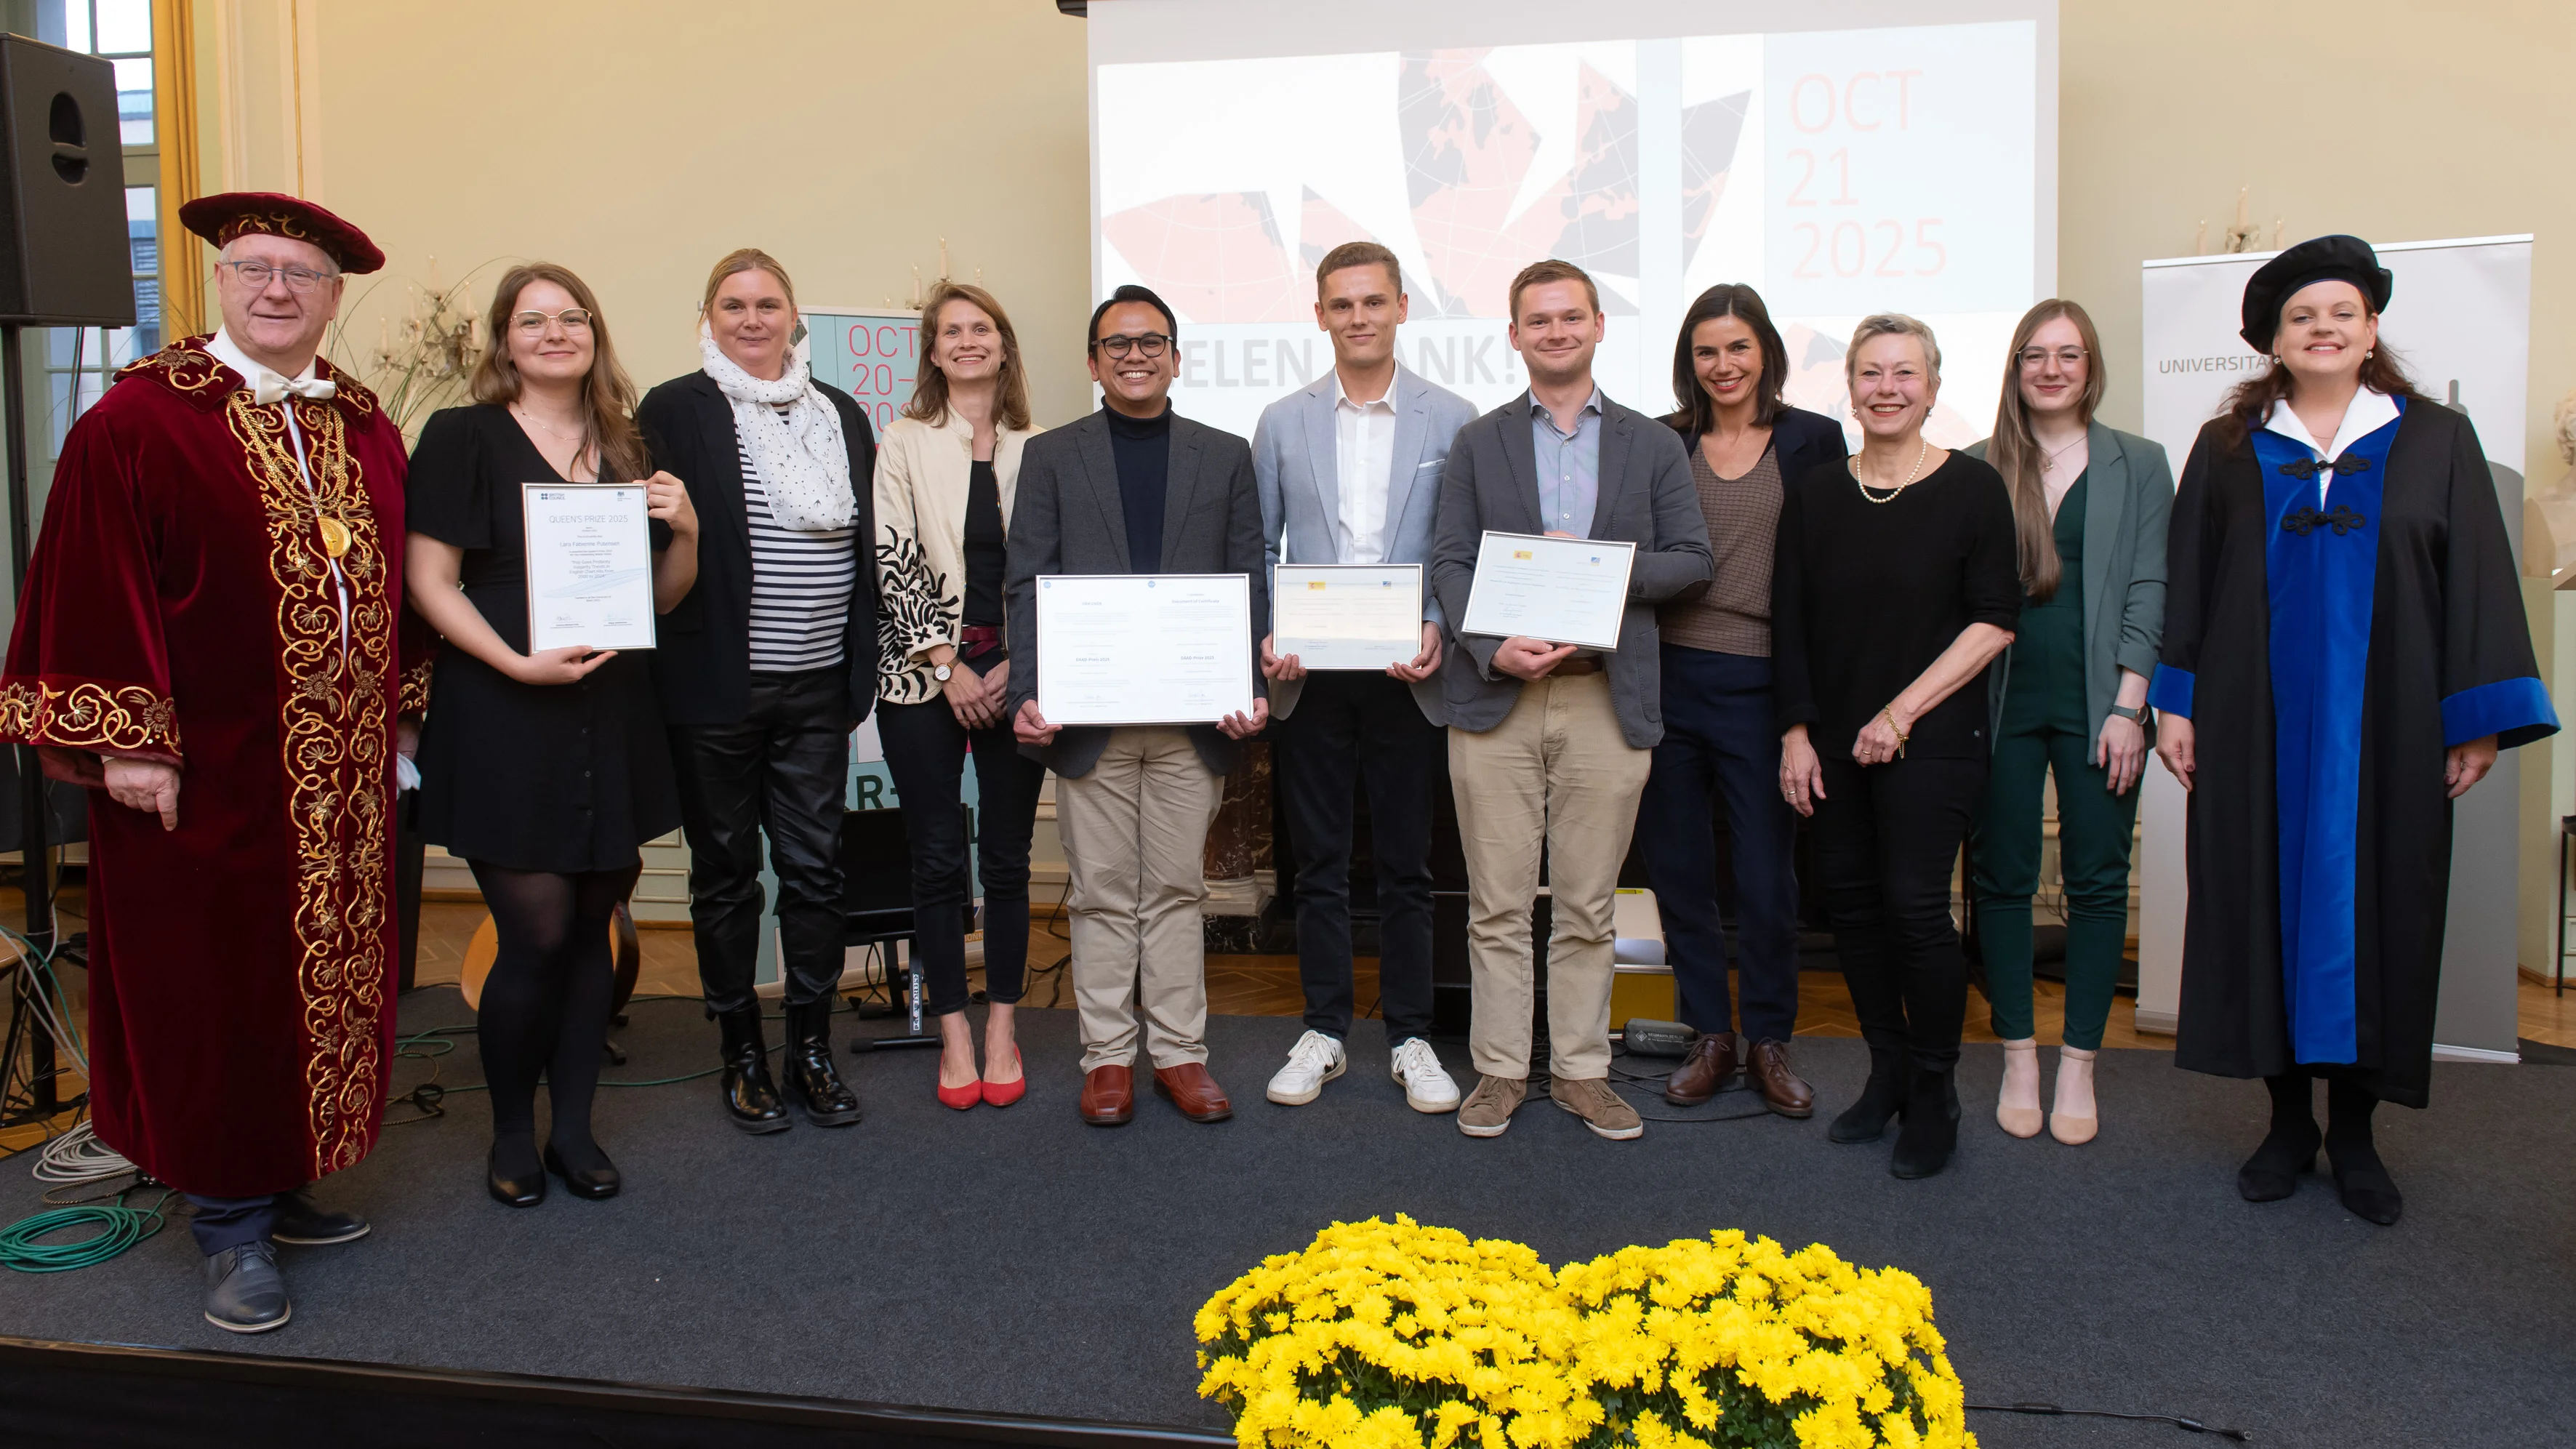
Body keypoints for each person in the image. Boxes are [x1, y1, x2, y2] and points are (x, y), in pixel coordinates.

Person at [0, 193, 426, 1332]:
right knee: (217, 995)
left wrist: (401, 718)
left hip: (334, 782)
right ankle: (228, 1226)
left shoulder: (363, 426)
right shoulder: (139, 422)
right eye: (254, 267)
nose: (277, 287)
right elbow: (93, 582)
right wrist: (126, 744)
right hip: (205, 777)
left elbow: (391, 590)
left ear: (334, 298)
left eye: (302, 273)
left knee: (315, 979)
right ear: (219, 281)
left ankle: (281, 1179)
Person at [2150, 235, 2555, 1225]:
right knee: (2254, 903)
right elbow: (2188, 578)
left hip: (2392, 729)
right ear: (2273, 342)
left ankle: (2359, 1132)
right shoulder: (2230, 447)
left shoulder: (2431, 438)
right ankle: (2287, 1123)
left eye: (2340, 312)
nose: (2321, 328)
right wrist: (2174, 701)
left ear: (2369, 328)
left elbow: (2474, 585)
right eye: (2300, 317)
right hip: (2255, 728)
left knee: (2385, 908)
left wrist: (2477, 723)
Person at [406, 264, 699, 1205]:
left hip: (609, 719)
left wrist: (686, 531)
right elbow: (430, 582)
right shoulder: (462, 436)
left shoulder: (625, 444)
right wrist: (517, 663)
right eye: (532, 320)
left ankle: (573, 1130)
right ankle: (508, 1133)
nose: (554, 332)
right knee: (533, 932)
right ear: (503, 340)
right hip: (503, 711)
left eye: (570, 316)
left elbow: (650, 604)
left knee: (591, 936)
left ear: (593, 333)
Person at [1430, 259, 1714, 1142]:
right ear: (1513, 336)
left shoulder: (1653, 444)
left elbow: (1693, 561)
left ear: (1598, 326)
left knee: (1591, 903)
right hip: (1498, 697)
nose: (1555, 332)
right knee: (1498, 904)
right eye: (1537, 321)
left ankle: (1585, 1072)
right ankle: (1503, 1072)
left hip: (1604, 695)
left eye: (1570, 318)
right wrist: (1489, 646)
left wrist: (1597, 568)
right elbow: (1449, 562)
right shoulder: (1479, 443)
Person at [1006, 284, 1269, 1127]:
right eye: (1116, 345)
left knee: (1175, 890)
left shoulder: (1224, 455)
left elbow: (1248, 581)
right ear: (1093, 362)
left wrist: (1248, 688)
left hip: (1196, 723)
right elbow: (1027, 583)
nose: (1134, 355)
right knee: (1102, 891)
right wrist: (1028, 693)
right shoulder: (1052, 456)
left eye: (1150, 341)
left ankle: (1182, 1055)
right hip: (1090, 723)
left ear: (1176, 358)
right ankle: (1108, 1057)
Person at [1775, 313, 2020, 1180]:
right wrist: (1798, 732)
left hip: (1935, 737)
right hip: (1833, 743)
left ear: (1933, 386)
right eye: (1871, 373)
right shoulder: (1816, 492)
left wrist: (1900, 713)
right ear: (1849, 386)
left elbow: (1995, 621)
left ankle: (1936, 1088)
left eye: (1904, 373)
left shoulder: (1972, 489)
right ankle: (1883, 1074)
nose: (1886, 388)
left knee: (1916, 910)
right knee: (1854, 912)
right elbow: (1792, 623)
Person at [639, 249, 877, 1133]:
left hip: (819, 686)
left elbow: (862, 549)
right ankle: (741, 1055)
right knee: (728, 878)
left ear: (793, 315)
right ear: (708, 316)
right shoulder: (676, 407)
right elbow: (647, 536)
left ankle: (810, 1050)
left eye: (767, 303)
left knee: (816, 874)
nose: (751, 319)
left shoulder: (839, 413)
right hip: (716, 690)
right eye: (732, 305)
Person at [1251, 242, 1474, 1115]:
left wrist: (1440, 627)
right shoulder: (1281, 420)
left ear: (1402, 308)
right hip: (1310, 677)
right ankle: (1326, 1031)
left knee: (1410, 865)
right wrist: (1270, 633)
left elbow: (1457, 553)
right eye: (1341, 304)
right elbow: (1264, 548)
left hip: (1408, 671)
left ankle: (1413, 1036)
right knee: (1318, 865)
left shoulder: (1452, 419)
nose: (1358, 318)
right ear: (1319, 316)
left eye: (1373, 302)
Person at [1962, 300, 2171, 1147]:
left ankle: (2079, 1062)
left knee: (2095, 885)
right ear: (2014, 368)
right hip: (2001, 701)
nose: (2051, 370)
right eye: (2034, 355)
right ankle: (2018, 1054)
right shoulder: (1979, 466)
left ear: (2091, 367)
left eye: (2068, 355)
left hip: (2101, 707)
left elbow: (2152, 589)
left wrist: (2131, 706)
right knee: (2002, 881)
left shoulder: (2140, 463)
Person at [1641, 284, 1847, 1118]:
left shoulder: (1814, 441)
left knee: (1767, 879)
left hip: (1767, 684)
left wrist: (1808, 713)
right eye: (1705, 351)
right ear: (1688, 362)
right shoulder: (1662, 441)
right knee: (1681, 873)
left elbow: (1830, 575)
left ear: (1766, 351)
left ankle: (1767, 1038)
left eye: (1737, 347)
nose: (1722, 365)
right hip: (1665, 679)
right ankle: (1709, 1036)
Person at [872, 281, 1047, 1110]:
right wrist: (948, 665)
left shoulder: (1041, 446)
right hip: (919, 679)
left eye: (984, 328)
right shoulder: (902, 441)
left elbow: (1058, 564)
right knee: (937, 861)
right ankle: (952, 1036)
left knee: (1008, 862)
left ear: (1004, 346)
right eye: (953, 331)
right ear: (934, 351)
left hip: (1018, 676)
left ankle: (1004, 1027)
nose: (969, 341)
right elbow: (892, 556)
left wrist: (1020, 662)